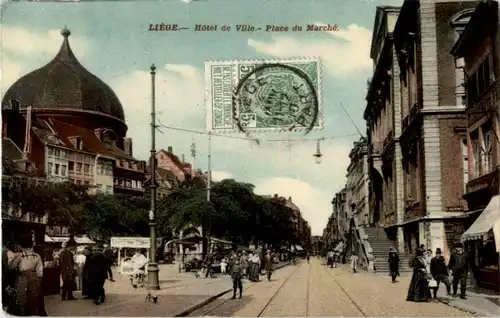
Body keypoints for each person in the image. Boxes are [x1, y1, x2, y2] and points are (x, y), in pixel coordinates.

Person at [8, 233, 47, 316]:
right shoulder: (37, 256)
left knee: (21, 301)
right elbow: (40, 272)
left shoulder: (19, 256)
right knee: (34, 301)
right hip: (35, 280)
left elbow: (11, 267)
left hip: (22, 279)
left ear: (20, 245)